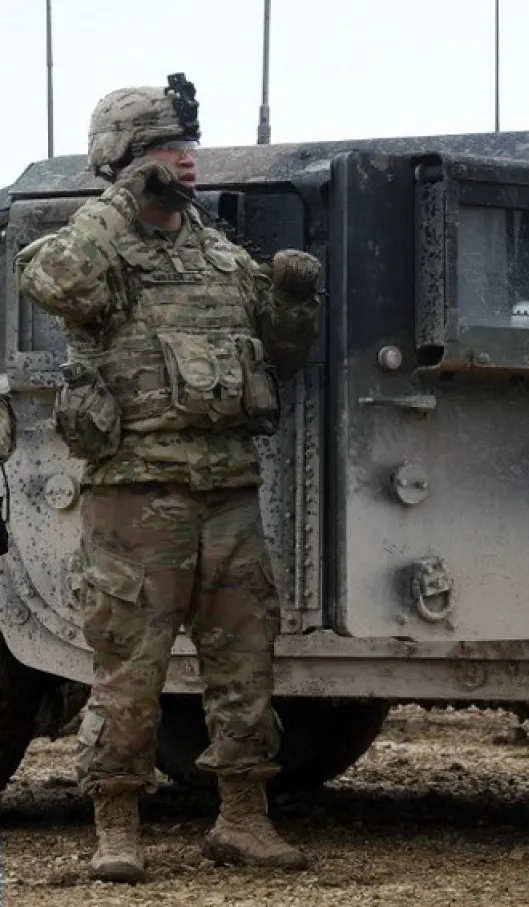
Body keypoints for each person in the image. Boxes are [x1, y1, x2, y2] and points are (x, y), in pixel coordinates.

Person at [14, 73, 320, 883]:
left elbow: (282, 358)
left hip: (228, 490)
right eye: (166, 150)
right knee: (129, 667)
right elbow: (54, 281)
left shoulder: (216, 252)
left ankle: (243, 819)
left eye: (187, 147)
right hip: (136, 494)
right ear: (125, 161)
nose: (187, 162)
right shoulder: (98, 246)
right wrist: (119, 200)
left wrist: (293, 300)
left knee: (245, 661)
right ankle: (118, 827)